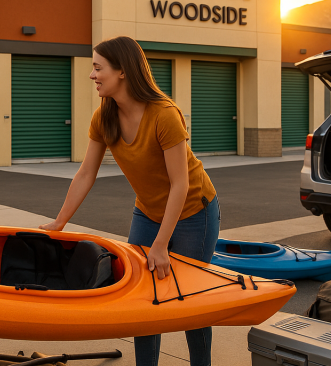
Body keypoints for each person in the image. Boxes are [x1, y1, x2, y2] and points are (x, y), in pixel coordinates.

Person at [40, 36, 220, 366]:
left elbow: (180, 184)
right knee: (142, 296)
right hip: (148, 211)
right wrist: (59, 221)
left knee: (190, 299)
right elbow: (85, 174)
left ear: (122, 71)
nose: (92, 76)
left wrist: (161, 244)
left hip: (194, 211)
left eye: (98, 68)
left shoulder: (164, 115)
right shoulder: (104, 117)